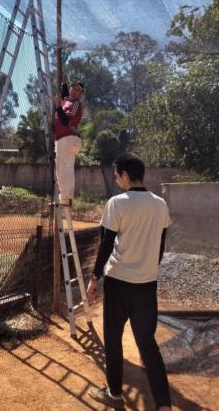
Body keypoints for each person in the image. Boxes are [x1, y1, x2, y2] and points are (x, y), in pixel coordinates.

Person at [86, 152, 172, 411]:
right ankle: (164, 405)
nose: (116, 179)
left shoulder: (117, 203)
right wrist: (148, 270)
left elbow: (106, 243)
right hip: (147, 285)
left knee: (113, 339)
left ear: (125, 174)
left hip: (119, 282)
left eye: (117, 174)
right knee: (147, 344)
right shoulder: (160, 204)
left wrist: (94, 278)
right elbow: (160, 245)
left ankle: (114, 394)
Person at [54, 74, 84, 205]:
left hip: (69, 137)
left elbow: (66, 121)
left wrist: (57, 107)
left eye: (79, 90)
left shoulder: (76, 104)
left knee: (63, 168)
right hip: (62, 139)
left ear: (80, 94)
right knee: (64, 167)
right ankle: (65, 196)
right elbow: (65, 93)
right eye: (74, 87)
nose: (75, 90)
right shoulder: (66, 99)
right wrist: (64, 83)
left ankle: (65, 197)